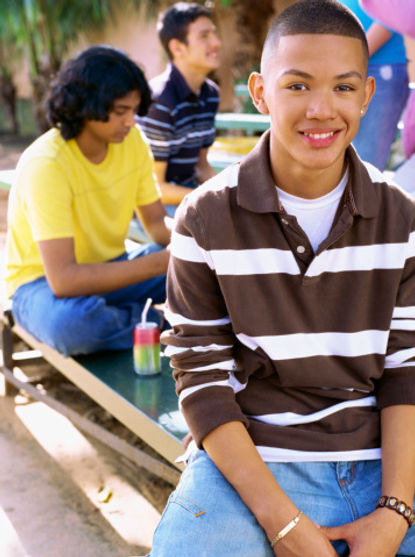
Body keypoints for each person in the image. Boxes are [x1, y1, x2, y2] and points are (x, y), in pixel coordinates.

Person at [148, 1, 415, 556]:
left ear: (368, 95)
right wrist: (285, 526)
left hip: (385, 459)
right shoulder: (204, 218)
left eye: (343, 88)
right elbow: (202, 382)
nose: (322, 109)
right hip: (255, 459)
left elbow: (405, 372)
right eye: (297, 86)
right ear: (260, 92)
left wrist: (395, 513)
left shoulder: (402, 218)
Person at [5, 46, 171, 357]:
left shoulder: (132, 142)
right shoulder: (47, 164)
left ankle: (129, 319)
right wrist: (160, 262)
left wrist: (193, 247)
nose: (131, 122)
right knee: (71, 325)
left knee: (196, 267)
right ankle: (157, 322)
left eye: (134, 111)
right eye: (121, 111)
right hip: (40, 286)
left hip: (111, 269)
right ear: (86, 105)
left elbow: (156, 223)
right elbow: (64, 280)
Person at [137, 2, 221, 216]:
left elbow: (200, 166)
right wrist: (211, 197)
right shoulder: (160, 101)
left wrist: (227, 191)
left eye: (214, 33)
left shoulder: (210, 94)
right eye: (204, 36)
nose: (216, 42)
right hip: (151, 207)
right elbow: (155, 189)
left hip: (188, 193)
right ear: (177, 48)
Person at [339, 0, 409, 171]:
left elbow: (394, 14)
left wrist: (353, 55)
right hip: (338, 64)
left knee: (366, 162)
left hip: (380, 69)